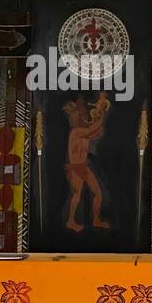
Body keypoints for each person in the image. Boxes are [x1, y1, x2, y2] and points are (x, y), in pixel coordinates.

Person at [61, 92, 111, 232]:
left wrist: (100, 112)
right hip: (76, 167)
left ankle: (96, 220)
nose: (83, 116)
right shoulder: (76, 132)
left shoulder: (82, 131)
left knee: (98, 193)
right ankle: (70, 221)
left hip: (83, 166)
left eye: (83, 114)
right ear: (74, 117)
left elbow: (97, 131)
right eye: (80, 114)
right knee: (77, 194)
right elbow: (92, 130)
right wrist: (101, 113)